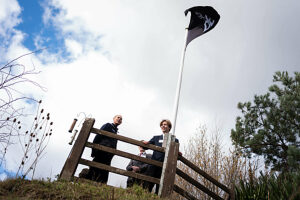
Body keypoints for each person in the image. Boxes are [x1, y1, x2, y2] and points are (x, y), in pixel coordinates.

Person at [143, 119, 179, 194]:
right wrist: (144, 143)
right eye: (162, 124)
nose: (163, 126)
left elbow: (175, 153)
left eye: (165, 124)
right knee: (148, 185)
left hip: (165, 166)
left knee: (160, 187)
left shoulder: (175, 140)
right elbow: (146, 146)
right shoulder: (155, 138)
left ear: (169, 127)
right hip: (154, 165)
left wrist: (178, 153)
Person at [86, 115, 122, 183]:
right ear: (113, 118)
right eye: (118, 117)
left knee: (104, 170)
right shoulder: (108, 125)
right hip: (101, 151)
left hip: (108, 155)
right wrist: (93, 150)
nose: (119, 119)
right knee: (95, 167)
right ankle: (87, 182)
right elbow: (98, 136)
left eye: (121, 119)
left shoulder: (116, 132)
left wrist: (113, 153)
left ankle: (101, 185)